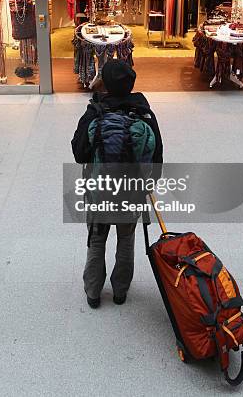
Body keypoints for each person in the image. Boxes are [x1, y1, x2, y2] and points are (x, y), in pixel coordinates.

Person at [71, 59, 163, 309]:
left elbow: (78, 153)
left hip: (99, 193)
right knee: (126, 240)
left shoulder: (95, 113)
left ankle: (93, 292)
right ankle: (120, 291)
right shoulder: (144, 113)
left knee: (97, 240)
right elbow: (157, 160)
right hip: (131, 194)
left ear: (107, 84)